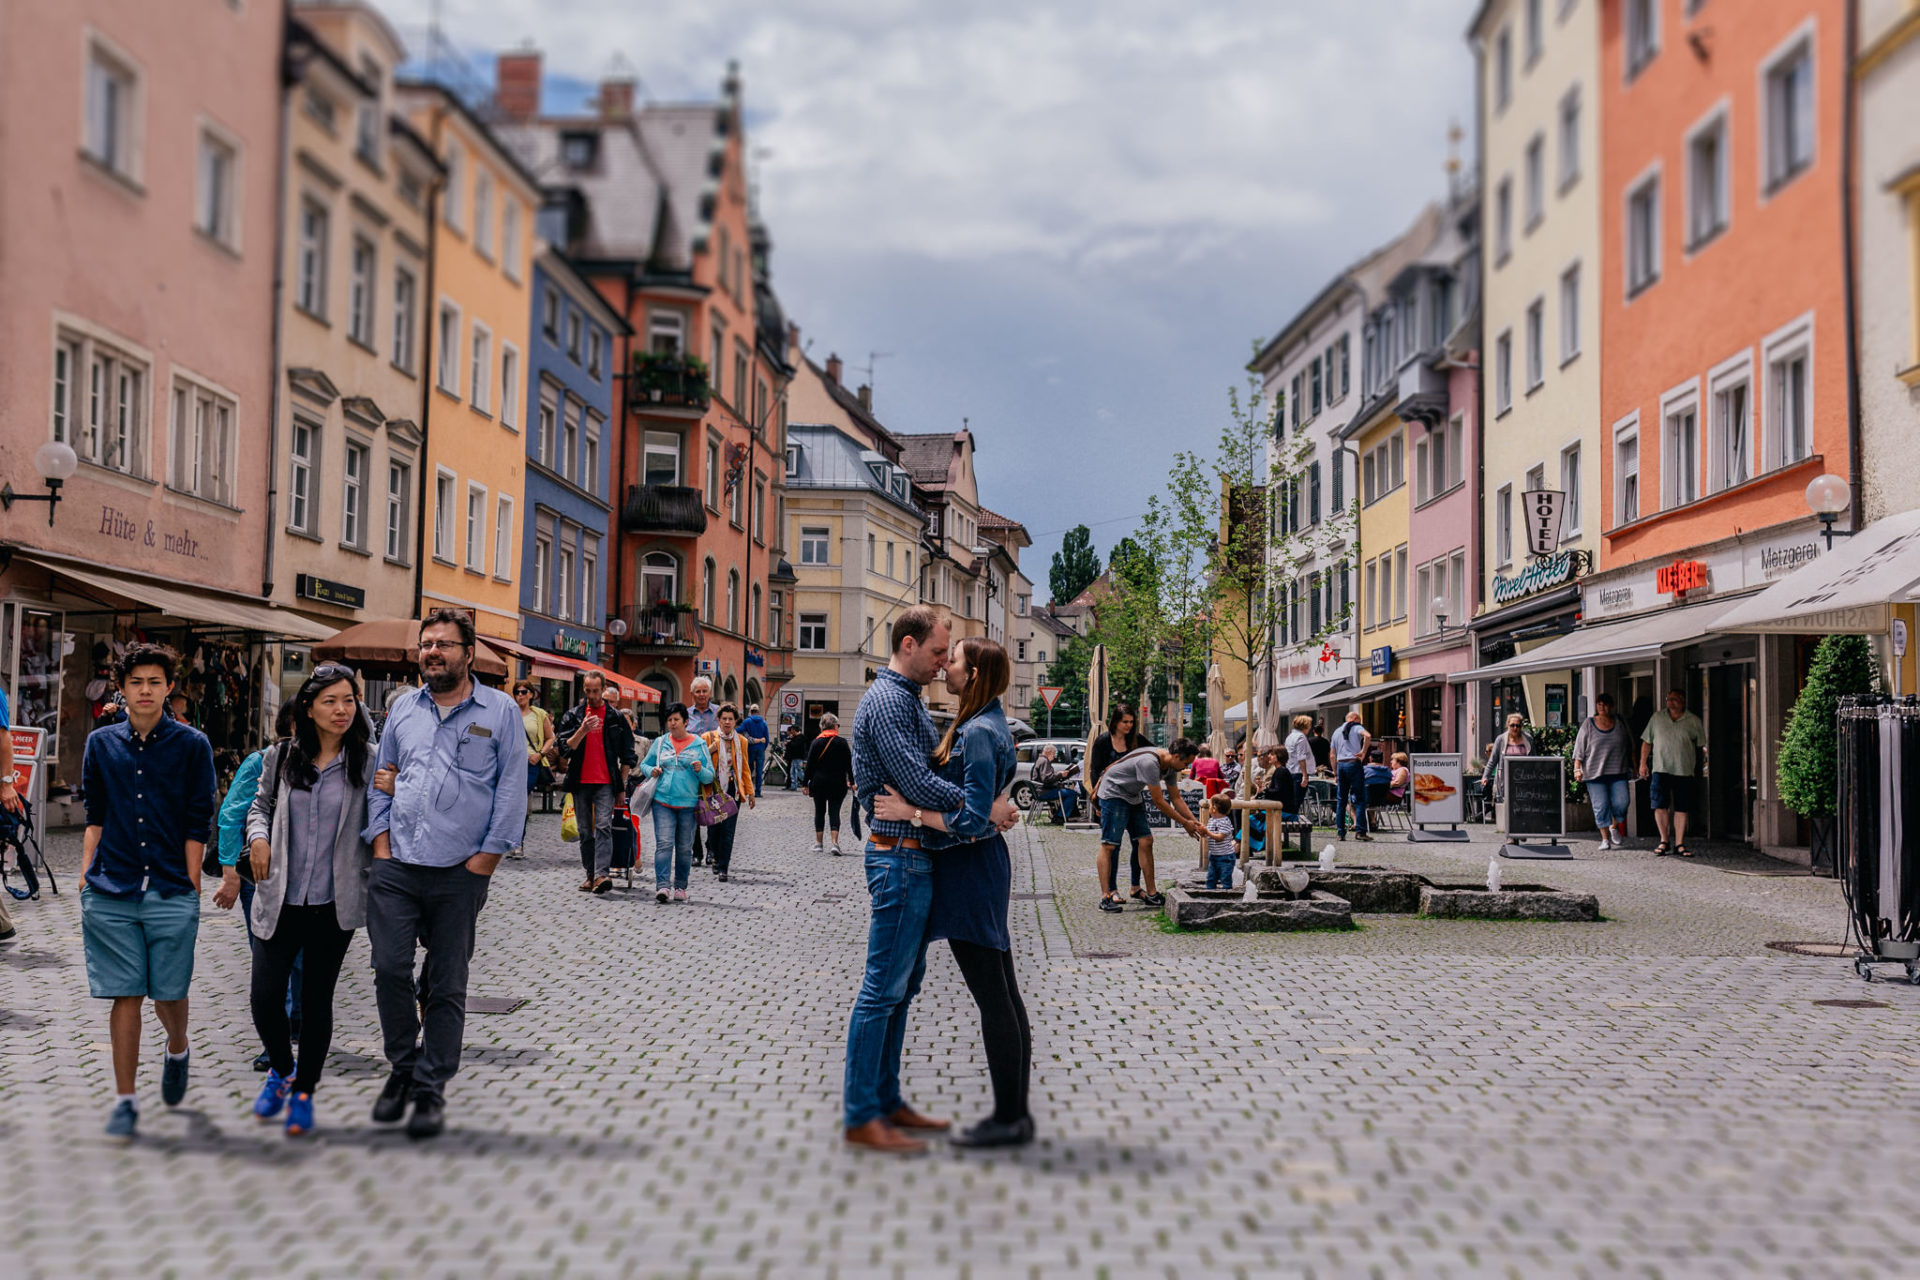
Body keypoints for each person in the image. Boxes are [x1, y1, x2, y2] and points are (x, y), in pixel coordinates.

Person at [362, 609, 526, 1140]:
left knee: (447, 982)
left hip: (460, 869)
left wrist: (486, 859)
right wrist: (381, 842)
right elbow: (380, 779)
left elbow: (510, 788)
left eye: (444, 645)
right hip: (398, 865)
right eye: (426, 645)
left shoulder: (499, 711)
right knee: (389, 970)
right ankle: (403, 1069)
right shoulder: (402, 709)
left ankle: (431, 1088)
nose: (432, 652)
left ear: (468, 653)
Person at [871, 636, 1029, 1148]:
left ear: (975, 674)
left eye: (954, 660)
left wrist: (910, 814)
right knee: (1002, 989)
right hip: (976, 867)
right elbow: (985, 809)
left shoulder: (980, 731)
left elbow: (968, 817)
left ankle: (1008, 1118)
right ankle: (1014, 1112)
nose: (946, 666)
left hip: (969, 871)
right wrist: (994, 811)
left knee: (994, 995)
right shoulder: (981, 723)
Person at [843, 606, 980, 1155]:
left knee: (901, 990)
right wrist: (978, 804)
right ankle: (861, 1114)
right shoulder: (888, 703)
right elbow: (918, 783)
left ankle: (885, 1100)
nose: (943, 663)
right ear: (906, 645)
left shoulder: (906, 700)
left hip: (910, 852)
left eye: (947, 655)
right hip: (897, 856)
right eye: (937, 653)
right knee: (881, 990)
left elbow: (925, 779)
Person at [78, 643, 216, 1139]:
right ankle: (126, 1099)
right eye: (136, 682)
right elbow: (94, 815)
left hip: (170, 888)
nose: (144, 690)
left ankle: (177, 1045)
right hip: (110, 888)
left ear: (169, 687)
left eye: (154, 682)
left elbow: (198, 819)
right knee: (127, 994)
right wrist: (85, 873)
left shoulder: (192, 745)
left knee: (169, 993)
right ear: (123, 687)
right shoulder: (101, 743)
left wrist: (192, 882)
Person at [238, 665, 375, 1137]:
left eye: (349, 701)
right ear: (309, 708)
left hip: (333, 902)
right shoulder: (281, 757)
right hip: (279, 895)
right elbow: (259, 808)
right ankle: (281, 1067)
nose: (341, 710)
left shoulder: (369, 760)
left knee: (316, 1003)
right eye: (331, 701)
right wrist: (258, 838)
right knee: (265, 997)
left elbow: (382, 819)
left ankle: (303, 1092)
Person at [215, 702, 300, 1072]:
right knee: (273, 962)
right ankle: (275, 1041)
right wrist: (231, 873)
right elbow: (231, 815)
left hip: (308, 880)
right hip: (263, 877)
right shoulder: (262, 760)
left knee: (303, 960)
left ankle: (296, 1023)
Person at [1094, 737, 1204, 913]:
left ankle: (1150, 893)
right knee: (1109, 844)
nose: (1185, 768)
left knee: (1146, 840)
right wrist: (1184, 824)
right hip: (1113, 793)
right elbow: (1159, 801)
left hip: (1132, 795)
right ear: (1175, 756)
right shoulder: (1150, 763)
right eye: (1185, 763)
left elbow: (1176, 798)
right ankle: (1105, 896)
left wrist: (1196, 823)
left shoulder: (1169, 767)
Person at [554, 673, 639, 895]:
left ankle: (602, 874)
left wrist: (621, 785)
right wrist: (582, 730)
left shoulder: (615, 717)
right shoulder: (574, 716)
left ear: (603, 690)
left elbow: (628, 753)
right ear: (584, 689)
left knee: (603, 826)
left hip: (605, 782)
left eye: (596, 691)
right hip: (580, 781)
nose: (591, 695)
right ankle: (590, 874)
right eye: (588, 690)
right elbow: (564, 748)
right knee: (584, 831)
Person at [638, 702, 715, 901]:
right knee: (664, 844)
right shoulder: (661, 742)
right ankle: (662, 886)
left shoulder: (699, 744)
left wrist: (700, 770)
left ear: (686, 722)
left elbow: (709, 777)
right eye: (669, 720)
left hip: (688, 804)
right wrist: (651, 771)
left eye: (676, 720)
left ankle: (680, 887)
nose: (672, 724)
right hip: (662, 801)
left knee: (683, 847)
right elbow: (645, 764)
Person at [1086, 706, 1147, 899]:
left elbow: (1153, 753)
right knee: (1113, 844)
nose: (1129, 726)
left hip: (1134, 797)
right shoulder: (1104, 741)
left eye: (1131, 722)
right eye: (1125, 722)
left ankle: (1135, 886)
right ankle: (1111, 890)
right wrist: (1098, 805)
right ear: (1116, 722)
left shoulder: (1137, 739)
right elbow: (1095, 771)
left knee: (1141, 841)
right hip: (1111, 798)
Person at [1639, 688, 1705, 858]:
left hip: (1684, 769)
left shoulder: (1693, 721)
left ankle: (1680, 843)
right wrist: (1643, 763)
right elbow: (1647, 741)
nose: (1670, 702)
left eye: (1675, 699)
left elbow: (1701, 746)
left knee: (1682, 808)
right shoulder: (1657, 718)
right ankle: (1664, 840)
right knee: (1659, 806)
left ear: (1683, 701)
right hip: (1661, 768)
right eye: (1669, 699)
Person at [701, 703, 756, 882]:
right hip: (712, 789)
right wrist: (711, 750)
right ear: (718, 720)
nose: (727, 722)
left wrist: (750, 792)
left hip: (733, 790)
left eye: (730, 719)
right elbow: (698, 761)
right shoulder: (708, 737)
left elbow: (745, 768)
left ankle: (723, 867)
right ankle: (714, 854)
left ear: (735, 722)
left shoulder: (742, 741)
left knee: (728, 830)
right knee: (714, 828)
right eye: (724, 718)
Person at [1573, 693, 1636, 850]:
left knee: (1622, 802)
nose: (1602, 707)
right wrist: (1577, 768)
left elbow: (1631, 746)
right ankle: (1605, 839)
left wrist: (1635, 766)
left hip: (1618, 771)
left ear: (1611, 706)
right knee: (1600, 806)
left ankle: (1614, 826)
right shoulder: (1588, 724)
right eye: (1599, 704)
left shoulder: (1620, 722)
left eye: (1605, 704)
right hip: (1595, 773)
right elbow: (1579, 748)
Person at [512, 681, 556, 859]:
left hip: (530, 763)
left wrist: (540, 754)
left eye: (523, 692)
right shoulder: (509, 712)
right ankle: (510, 840)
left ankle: (517, 843)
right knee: (510, 802)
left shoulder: (539, 714)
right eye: (516, 692)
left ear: (531, 694)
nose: (519, 696)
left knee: (520, 800)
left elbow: (550, 738)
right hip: (511, 763)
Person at [803, 714, 854, 854]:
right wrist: (853, 781)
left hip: (819, 783)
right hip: (838, 783)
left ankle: (819, 844)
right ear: (835, 726)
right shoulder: (842, 742)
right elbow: (849, 765)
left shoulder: (816, 742)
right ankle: (835, 843)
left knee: (819, 811)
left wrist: (804, 784)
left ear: (822, 726)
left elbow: (810, 766)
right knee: (834, 811)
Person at [685, 678, 718, 865]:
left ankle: (711, 850)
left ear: (710, 692)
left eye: (705, 691)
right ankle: (695, 851)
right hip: (691, 771)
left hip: (713, 769)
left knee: (713, 810)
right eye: (698, 691)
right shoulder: (687, 715)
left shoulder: (718, 713)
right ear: (692, 694)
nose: (702, 695)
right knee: (694, 812)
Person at [1330, 709, 1373, 842]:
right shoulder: (1356, 727)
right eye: (1359, 721)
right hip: (1353, 764)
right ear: (1354, 719)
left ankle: (1340, 833)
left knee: (1341, 800)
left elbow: (1332, 754)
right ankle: (1360, 831)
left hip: (1341, 765)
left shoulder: (1336, 732)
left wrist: (1335, 772)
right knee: (1360, 799)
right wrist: (1363, 752)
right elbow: (1368, 735)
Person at [1484, 712, 1534, 814]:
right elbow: (1492, 760)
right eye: (1512, 725)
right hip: (1505, 779)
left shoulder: (1528, 739)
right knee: (1506, 804)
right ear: (1507, 725)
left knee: (1523, 804)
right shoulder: (1501, 740)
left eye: (1518, 725)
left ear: (1521, 726)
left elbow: (1534, 759)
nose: (1515, 728)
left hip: (1524, 779)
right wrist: (1485, 777)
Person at [1030, 745, 1079, 822]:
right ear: (1048, 752)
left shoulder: (1041, 760)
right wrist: (1060, 774)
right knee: (1072, 794)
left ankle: (1058, 814)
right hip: (1044, 791)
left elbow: (1046, 777)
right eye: (1054, 754)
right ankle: (1059, 817)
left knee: (1067, 792)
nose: (1054, 756)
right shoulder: (1044, 761)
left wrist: (1058, 774)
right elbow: (1046, 779)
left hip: (1040, 790)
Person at [1203, 794, 1237, 890]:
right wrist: (1202, 832)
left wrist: (1207, 832)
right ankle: (1210, 894)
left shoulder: (1225, 821)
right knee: (1211, 878)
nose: (1209, 808)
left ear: (1214, 808)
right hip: (1214, 855)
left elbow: (1220, 837)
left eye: (1209, 806)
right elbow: (1208, 834)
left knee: (1225, 878)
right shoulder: (1212, 820)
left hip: (1225, 856)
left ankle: (1226, 894)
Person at [1283, 714, 1315, 814]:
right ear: (1306, 726)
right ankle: (1292, 821)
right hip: (1298, 772)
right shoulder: (1301, 737)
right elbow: (1301, 757)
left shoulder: (1290, 737)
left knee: (1292, 800)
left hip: (1291, 771)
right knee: (1297, 801)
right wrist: (1305, 775)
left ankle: (1289, 820)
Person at [739, 703, 771, 795]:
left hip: (750, 748)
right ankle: (758, 791)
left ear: (751, 711)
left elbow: (739, 730)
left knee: (748, 769)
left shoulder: (747, 721)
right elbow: (767, 738)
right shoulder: (763, 722)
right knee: (759, 770)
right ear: (758, 711)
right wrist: (763, 747)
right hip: (760, 748)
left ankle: (747, 790)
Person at [783, 725, 806, 790]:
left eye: (792, 730)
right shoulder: (795, 737)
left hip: (798, 757)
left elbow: (795, 745)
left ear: (794, 730)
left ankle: (807, 782)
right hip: (794, 757)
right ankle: (794, 786)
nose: (791, 732)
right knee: (792, 771)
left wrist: (789, 742)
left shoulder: (800, 737)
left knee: (798, 771)